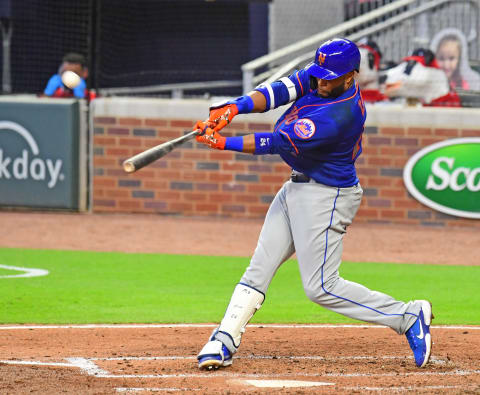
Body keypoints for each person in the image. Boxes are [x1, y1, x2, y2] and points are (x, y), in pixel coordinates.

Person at [194, 38, 433, 371]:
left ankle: (407, 316)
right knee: (259, 267)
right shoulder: (325, 76)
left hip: (327, 196)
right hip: (298, 186)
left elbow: (275, 142)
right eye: (319, 74)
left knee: (321, 287)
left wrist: (222, 142)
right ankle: (224, 338)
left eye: (329, 77)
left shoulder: (342, 113)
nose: (321, 81)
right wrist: (235, 107)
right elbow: (281, 90)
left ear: (351, 76)